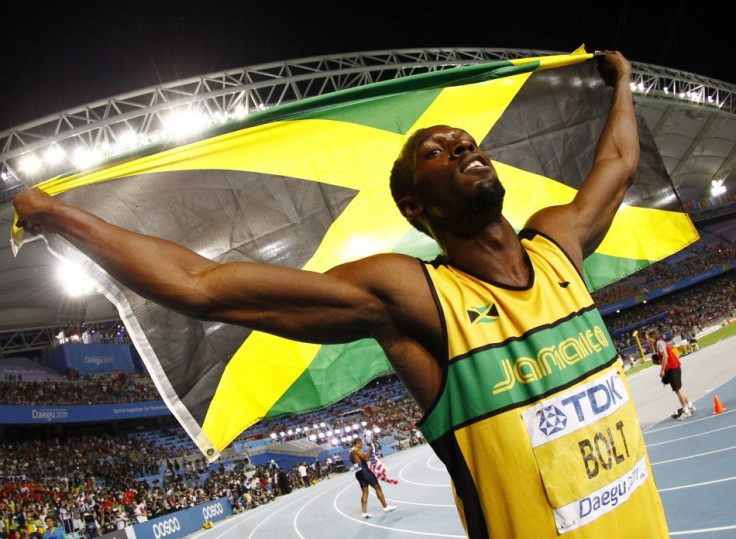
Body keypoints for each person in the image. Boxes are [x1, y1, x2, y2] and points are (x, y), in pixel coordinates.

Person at [13, 51, 668, 537]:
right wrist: (59, 217)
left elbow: (616, 166)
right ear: (415, 208)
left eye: (464, 141)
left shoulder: (559, 242)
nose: (460, 145)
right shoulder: (413, 297)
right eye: (437, 152)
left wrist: (624, 81)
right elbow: (203, 286)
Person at [647, 329, 695, 420]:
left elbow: (665, 356)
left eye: (649, 339)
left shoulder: (659, 344)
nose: (648, 341)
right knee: (679, 389)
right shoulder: (660, 343)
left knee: (677, 390)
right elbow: (665, 357)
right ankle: (690, 405)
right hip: (675, 366)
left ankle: (686, 411)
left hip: (672, 368)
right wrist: (659, 363)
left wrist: (662, 370)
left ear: (654, 338)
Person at [348, 438, 396, 518]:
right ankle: (386, 507)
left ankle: (364, 512)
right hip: (364, 471)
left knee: (365, 492)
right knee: (377, 487)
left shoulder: (350, 452)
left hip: (358, 473)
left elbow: (356, 461)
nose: (362, 445)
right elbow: (366, 458)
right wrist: (371, 450)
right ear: (358, 443)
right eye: (361, 443)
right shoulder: (357, 450)